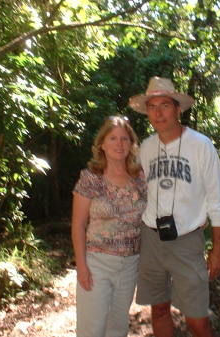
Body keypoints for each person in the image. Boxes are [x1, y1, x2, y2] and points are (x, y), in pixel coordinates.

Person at [128, 76, 220, 337]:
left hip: (187, 240)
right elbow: (132, 184)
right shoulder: (147, 148)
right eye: (152, 106)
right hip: (151, 238)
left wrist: (217, 249)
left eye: (164, 105)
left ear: (177, 109)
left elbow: (218, 199)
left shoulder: (201, 145)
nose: (158, 112)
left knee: (197, 319)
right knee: (159, 309)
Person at [71, 116, 147, 337]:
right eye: (113, 138)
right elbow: (78, 225)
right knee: (91, 330)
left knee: (117, 328)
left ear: (132, 144)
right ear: (102, 144)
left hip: (130, 265)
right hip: (97, 265)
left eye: (125, 139)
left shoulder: (140, 179)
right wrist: (82, 266)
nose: (119, 144)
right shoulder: (91, 178)